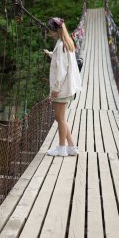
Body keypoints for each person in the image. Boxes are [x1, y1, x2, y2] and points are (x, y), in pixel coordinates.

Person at [43, 17, 82, 156]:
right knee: (61, 118)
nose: (49, 34)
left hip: (62, 88)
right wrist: (50, 54)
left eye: (50, 32)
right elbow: (63, 60)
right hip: (67, 87)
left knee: (59, 118)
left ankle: (61, 148)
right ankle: (71, 147)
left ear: (56, 31)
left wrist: (56, 88)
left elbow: (61, 70)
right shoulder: (67, 42)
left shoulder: (61, 45)